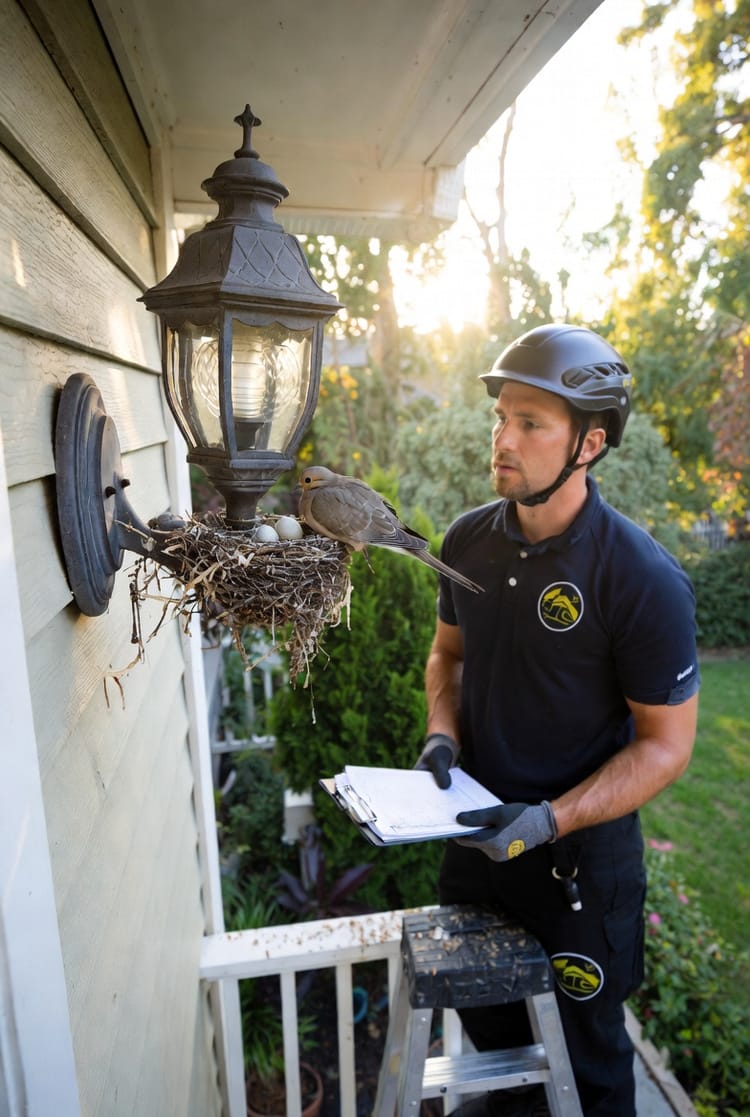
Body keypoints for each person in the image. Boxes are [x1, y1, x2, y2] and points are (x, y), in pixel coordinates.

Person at [416, 323, 700, 1117]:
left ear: (590, 444)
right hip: (476, 848)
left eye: (530, 422)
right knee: (494, 1045)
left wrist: (549, 819)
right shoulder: (466, 541)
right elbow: (448, 657)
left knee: (589, 1067)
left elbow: (667, 746)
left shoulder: (640, 577)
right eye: (500, 416)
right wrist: (442, 731)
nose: (503, 439)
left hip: (580, 870)